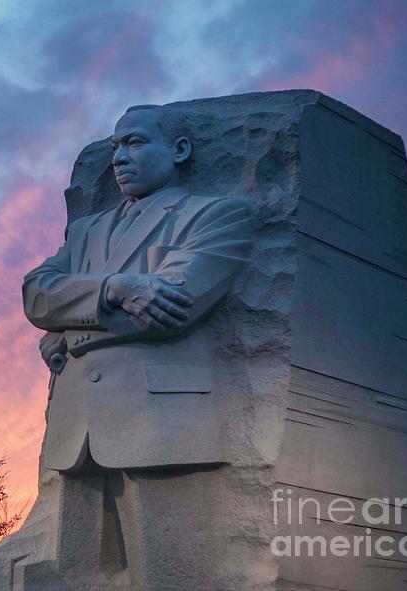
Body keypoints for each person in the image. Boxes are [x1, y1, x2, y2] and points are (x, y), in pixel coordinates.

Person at [21, 104, 253, 589]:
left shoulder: (215, 215)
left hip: (160, 426)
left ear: (180, 149)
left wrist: (68, 332)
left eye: (135, 143)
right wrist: (115, 288)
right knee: (73, 575)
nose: (120, 158)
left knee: (170, 574)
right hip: (76, 431)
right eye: (114, 148)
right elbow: (37, 293)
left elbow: (177, 305)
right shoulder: (86, 231)